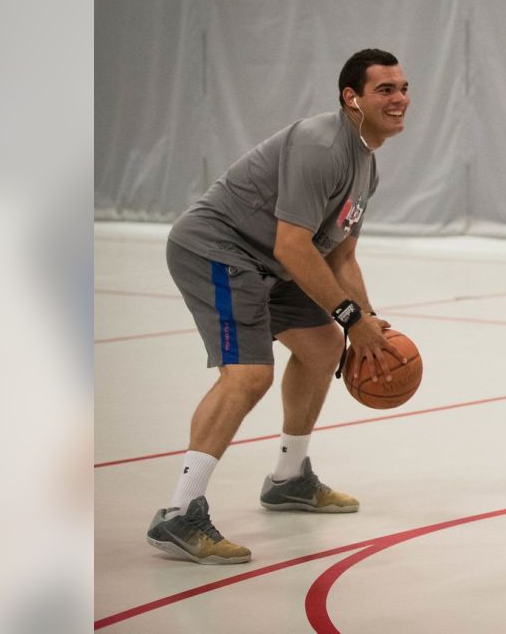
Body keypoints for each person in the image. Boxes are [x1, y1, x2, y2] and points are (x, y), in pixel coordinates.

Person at [145, 49, 412, 565]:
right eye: (386, 89)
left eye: (403, 88)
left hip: (272, 259)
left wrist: (366, 318)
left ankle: (289, 479)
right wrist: (352, 318)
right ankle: (178, 514)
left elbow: (340, 255)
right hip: (220, 249)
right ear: (351, 98)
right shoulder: (321, 145)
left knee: (321, 346)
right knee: (246, 375)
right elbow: (294, 246)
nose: (400, 99)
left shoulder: (366, 164)